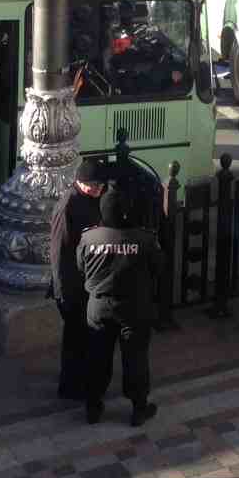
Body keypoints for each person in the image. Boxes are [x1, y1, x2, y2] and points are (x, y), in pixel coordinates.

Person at [76, 189, 165, 426]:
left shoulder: (89, 238)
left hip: (99, 306)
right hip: (134, 308)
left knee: (97, 357)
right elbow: (158, 268)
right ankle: (138, 409)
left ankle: (92, 407)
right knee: (135, 358)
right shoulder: (145, 239)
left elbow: (81, 267)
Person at [47, 160, 107, 399]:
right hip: (73, 286)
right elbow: (58, 254)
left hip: (88, 283)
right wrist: (63, 291)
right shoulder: (68, 205)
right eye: (94, 185)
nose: (98, 188)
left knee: (83, 337)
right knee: (74, 338)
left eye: (100, 184)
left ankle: (79, 379)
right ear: (81, 183)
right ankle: (70, 386)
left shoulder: (93, 198)